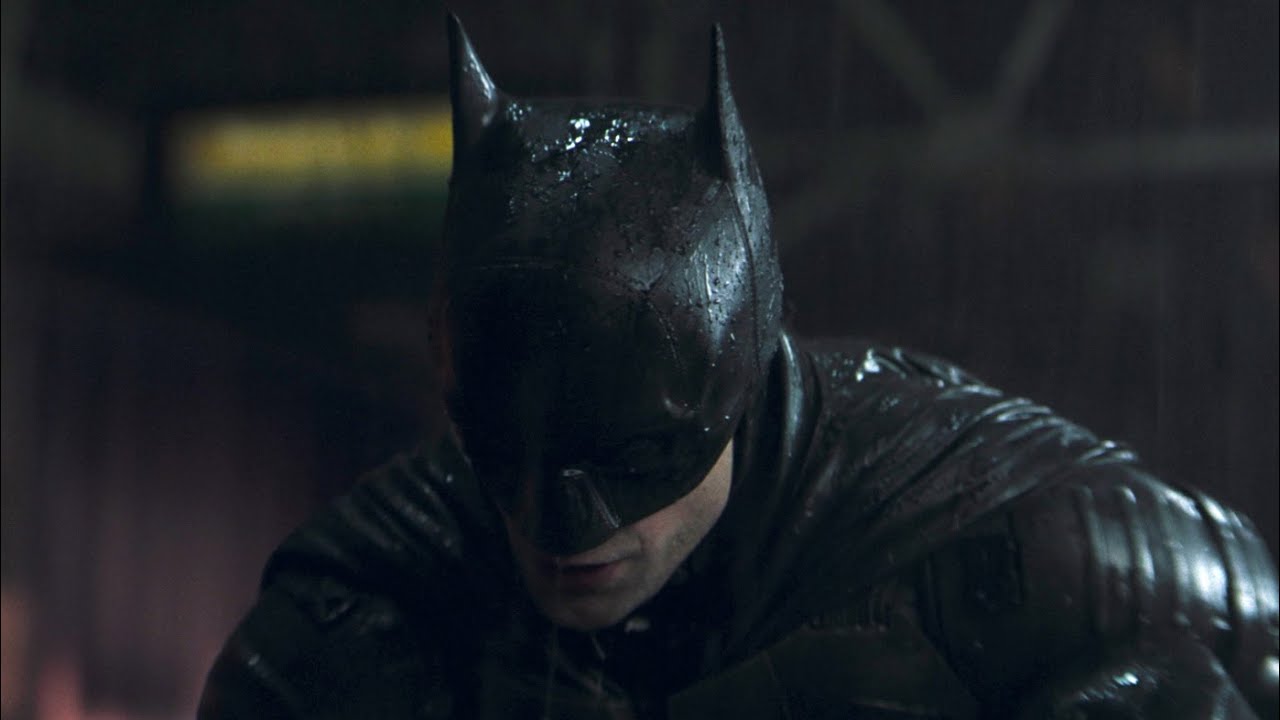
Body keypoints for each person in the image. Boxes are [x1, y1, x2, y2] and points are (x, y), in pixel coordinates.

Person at [199, 16, 1278, 719]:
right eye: (513, 456)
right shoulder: (367, 603)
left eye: (635, 455)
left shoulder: (985, 534)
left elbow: (1223, 613)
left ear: (736, 388)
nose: (566, 526)